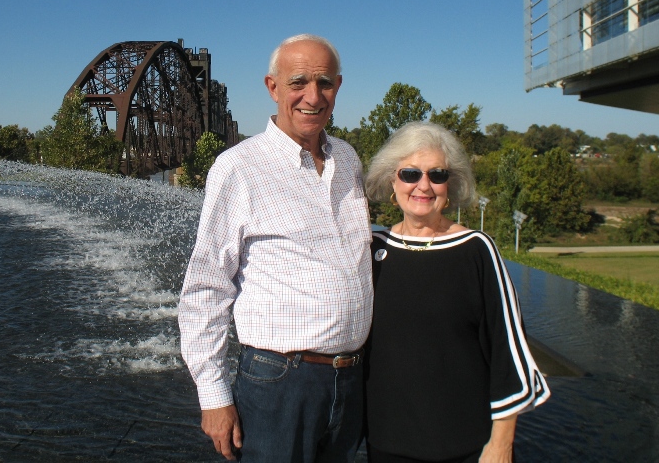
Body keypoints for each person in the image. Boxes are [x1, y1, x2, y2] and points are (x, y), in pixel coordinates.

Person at [178, 34, 373, 463]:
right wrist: (213, 394)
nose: (312, 96)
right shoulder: (239, 167)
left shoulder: (348, 159)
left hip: (352, 378)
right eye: (298, 82)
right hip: (280, 383)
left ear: (338, 87)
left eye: (324, 83)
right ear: (273, 87)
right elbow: (207, 286)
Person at [363, 121, 550, 463]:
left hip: (465, 446)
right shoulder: (374, 249)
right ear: (392, 179)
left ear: (450, 184)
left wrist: (501, 445)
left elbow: (508, 351)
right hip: (386, 443)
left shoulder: (475, 250)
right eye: (409, 173)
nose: (423, 185)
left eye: (437, 175)